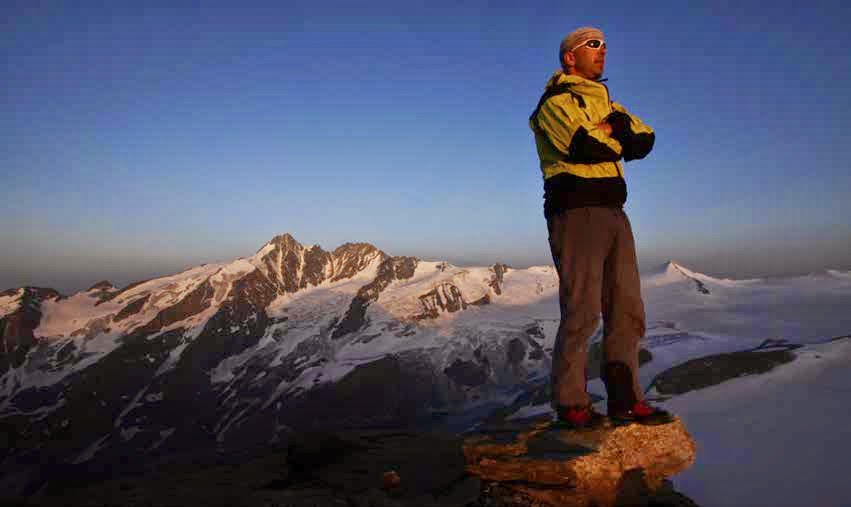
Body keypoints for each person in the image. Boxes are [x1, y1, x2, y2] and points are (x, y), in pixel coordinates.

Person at [529, 26, 673, 429]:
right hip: (575, 211)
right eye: (592, 45)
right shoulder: (554, 102)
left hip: (614, 210)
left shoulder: (609, 102)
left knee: (627, 308)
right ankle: (571, 403)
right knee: (581, 310)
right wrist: (615, 132)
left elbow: (646, 140)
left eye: (605, 45)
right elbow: (581, 146)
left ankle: (626, 401)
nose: (602, 51)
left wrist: (614, 131)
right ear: (569, 57)